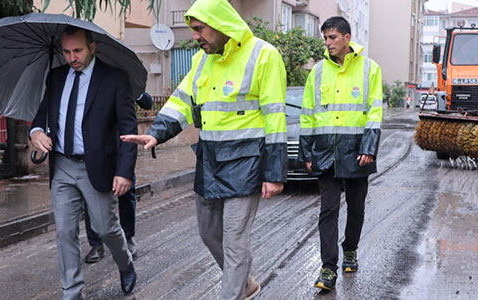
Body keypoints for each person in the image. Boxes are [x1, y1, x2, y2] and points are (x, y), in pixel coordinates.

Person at [121, 0, 287, 299]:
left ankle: (232, 293)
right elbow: (182, 102)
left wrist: (274, 172)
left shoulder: (264, 55)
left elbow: (275, 116)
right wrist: (156, 134)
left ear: (221, 24)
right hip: (210, 161)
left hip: (246, 163)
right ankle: (245, 283)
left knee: (235, 241)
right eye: (193, 30)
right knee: (209, 233)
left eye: (199, 29)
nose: (195, 36)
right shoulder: (201, 61)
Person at [29, 26, 137, 299]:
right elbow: (41, 116)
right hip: (63, 166)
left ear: (92, 47)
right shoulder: (55, 77)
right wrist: (36, 133)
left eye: (77, 50)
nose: (71, 57)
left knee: (106, 229)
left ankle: (125, 263)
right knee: (65, 232)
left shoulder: (114, 79)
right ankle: (72, 292)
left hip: (98, 167)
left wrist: (124, 173)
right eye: (66, 51)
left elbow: (128, 131)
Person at [298, 16, 383, 291]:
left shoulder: (370, 69)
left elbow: (374, 112)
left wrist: (369, 149)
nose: (328, 43)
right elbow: (308, 115)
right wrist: (307, 153)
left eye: (332, 37)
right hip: (326, 152)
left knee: (356, 209)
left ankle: (350, 250)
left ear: (347, 38)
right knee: (328, 211)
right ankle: (328, 268)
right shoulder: (318, 72)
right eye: (325, 38)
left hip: (357, 151)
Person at [83, 93, 152, 264]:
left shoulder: (124, 78)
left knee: (126, 194)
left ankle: (128, 238)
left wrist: (136, 90)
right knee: (91, 194)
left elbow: (147, 103)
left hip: (121, 146)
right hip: (95, 147)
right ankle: (96, 244)